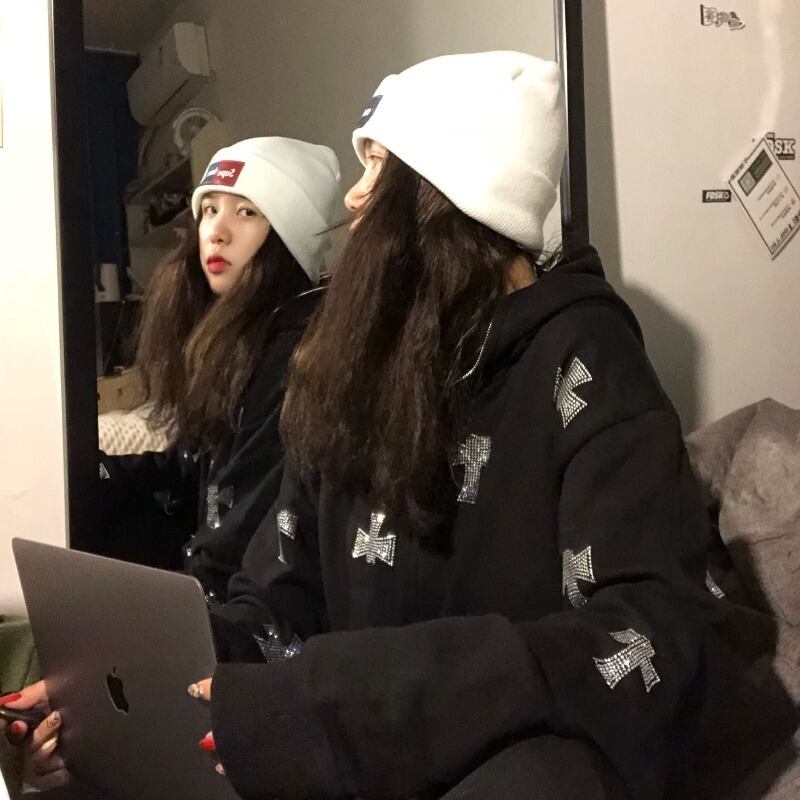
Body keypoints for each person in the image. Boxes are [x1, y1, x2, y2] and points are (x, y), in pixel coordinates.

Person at [98, 136, 341, 602]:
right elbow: (197, 463)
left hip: (250, 604)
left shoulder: (299, 348)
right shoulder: (238, 334)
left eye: (247, 212)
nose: (217, 231)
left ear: (291, 234)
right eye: (209, 209)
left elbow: (252, 514)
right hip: (217, 581)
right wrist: (99, 470)